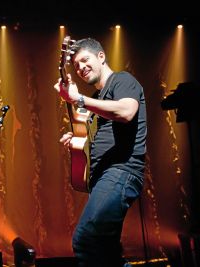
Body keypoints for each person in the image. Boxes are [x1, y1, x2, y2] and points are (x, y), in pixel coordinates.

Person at [54, 38, 147, 267]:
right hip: (103, 177)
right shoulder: (96, 100)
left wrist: (79, 100)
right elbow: (97, 135)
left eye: (85, 60)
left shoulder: (122, 80)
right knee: (107, 254)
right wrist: (78, 139)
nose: (80, 67)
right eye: (75, 65)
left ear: (101, 57)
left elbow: (126, 111)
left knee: (86, 240)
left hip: (121, 171)